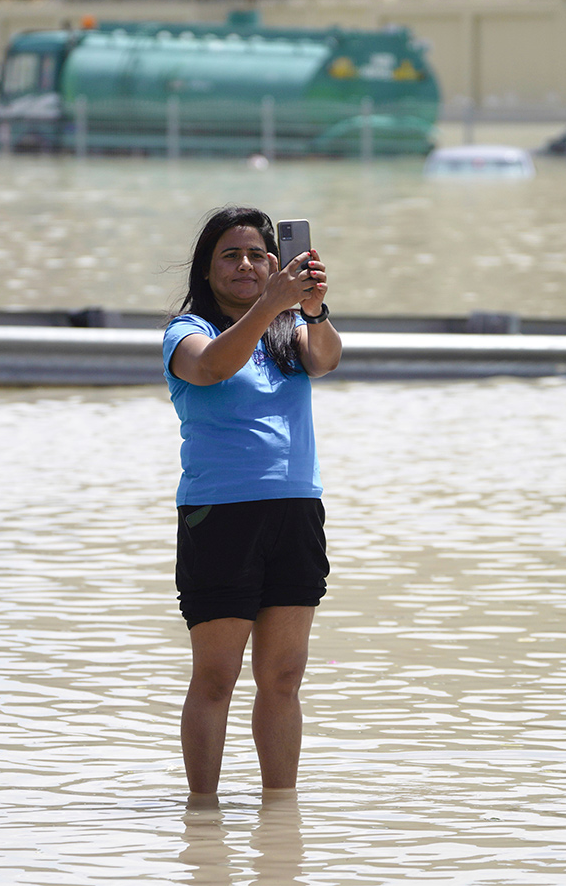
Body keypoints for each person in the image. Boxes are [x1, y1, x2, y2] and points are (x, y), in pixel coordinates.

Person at [162, 206, 342, 795]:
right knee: (217, 676)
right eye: (230, 256)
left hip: (295, 510)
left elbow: (327, 359)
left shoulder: (291, 328)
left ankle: (280, 818)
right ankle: (203, 817)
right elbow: (211, 369)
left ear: (276, 262)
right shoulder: (188, 332)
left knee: (284, 676)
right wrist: (272, 302)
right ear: (206, 269)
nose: (245, 265)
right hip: (221, 516)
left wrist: (311, 308)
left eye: (258, 255)